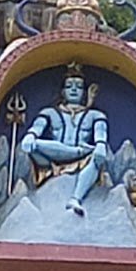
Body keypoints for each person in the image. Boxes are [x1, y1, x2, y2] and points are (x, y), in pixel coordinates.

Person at [20, 68, 109, 217]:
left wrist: (100, 145)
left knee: (96, 158)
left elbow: (101, 133)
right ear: (62, 92)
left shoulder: (95, 115)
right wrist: (30, 135)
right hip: (52, 157)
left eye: (79, 87)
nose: (74, 90)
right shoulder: (49, 113)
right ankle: (68, 157)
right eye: (69, 86)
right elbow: (37, 127)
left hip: (83, 157)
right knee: (33, 146)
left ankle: (75, 199)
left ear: (85, 92)